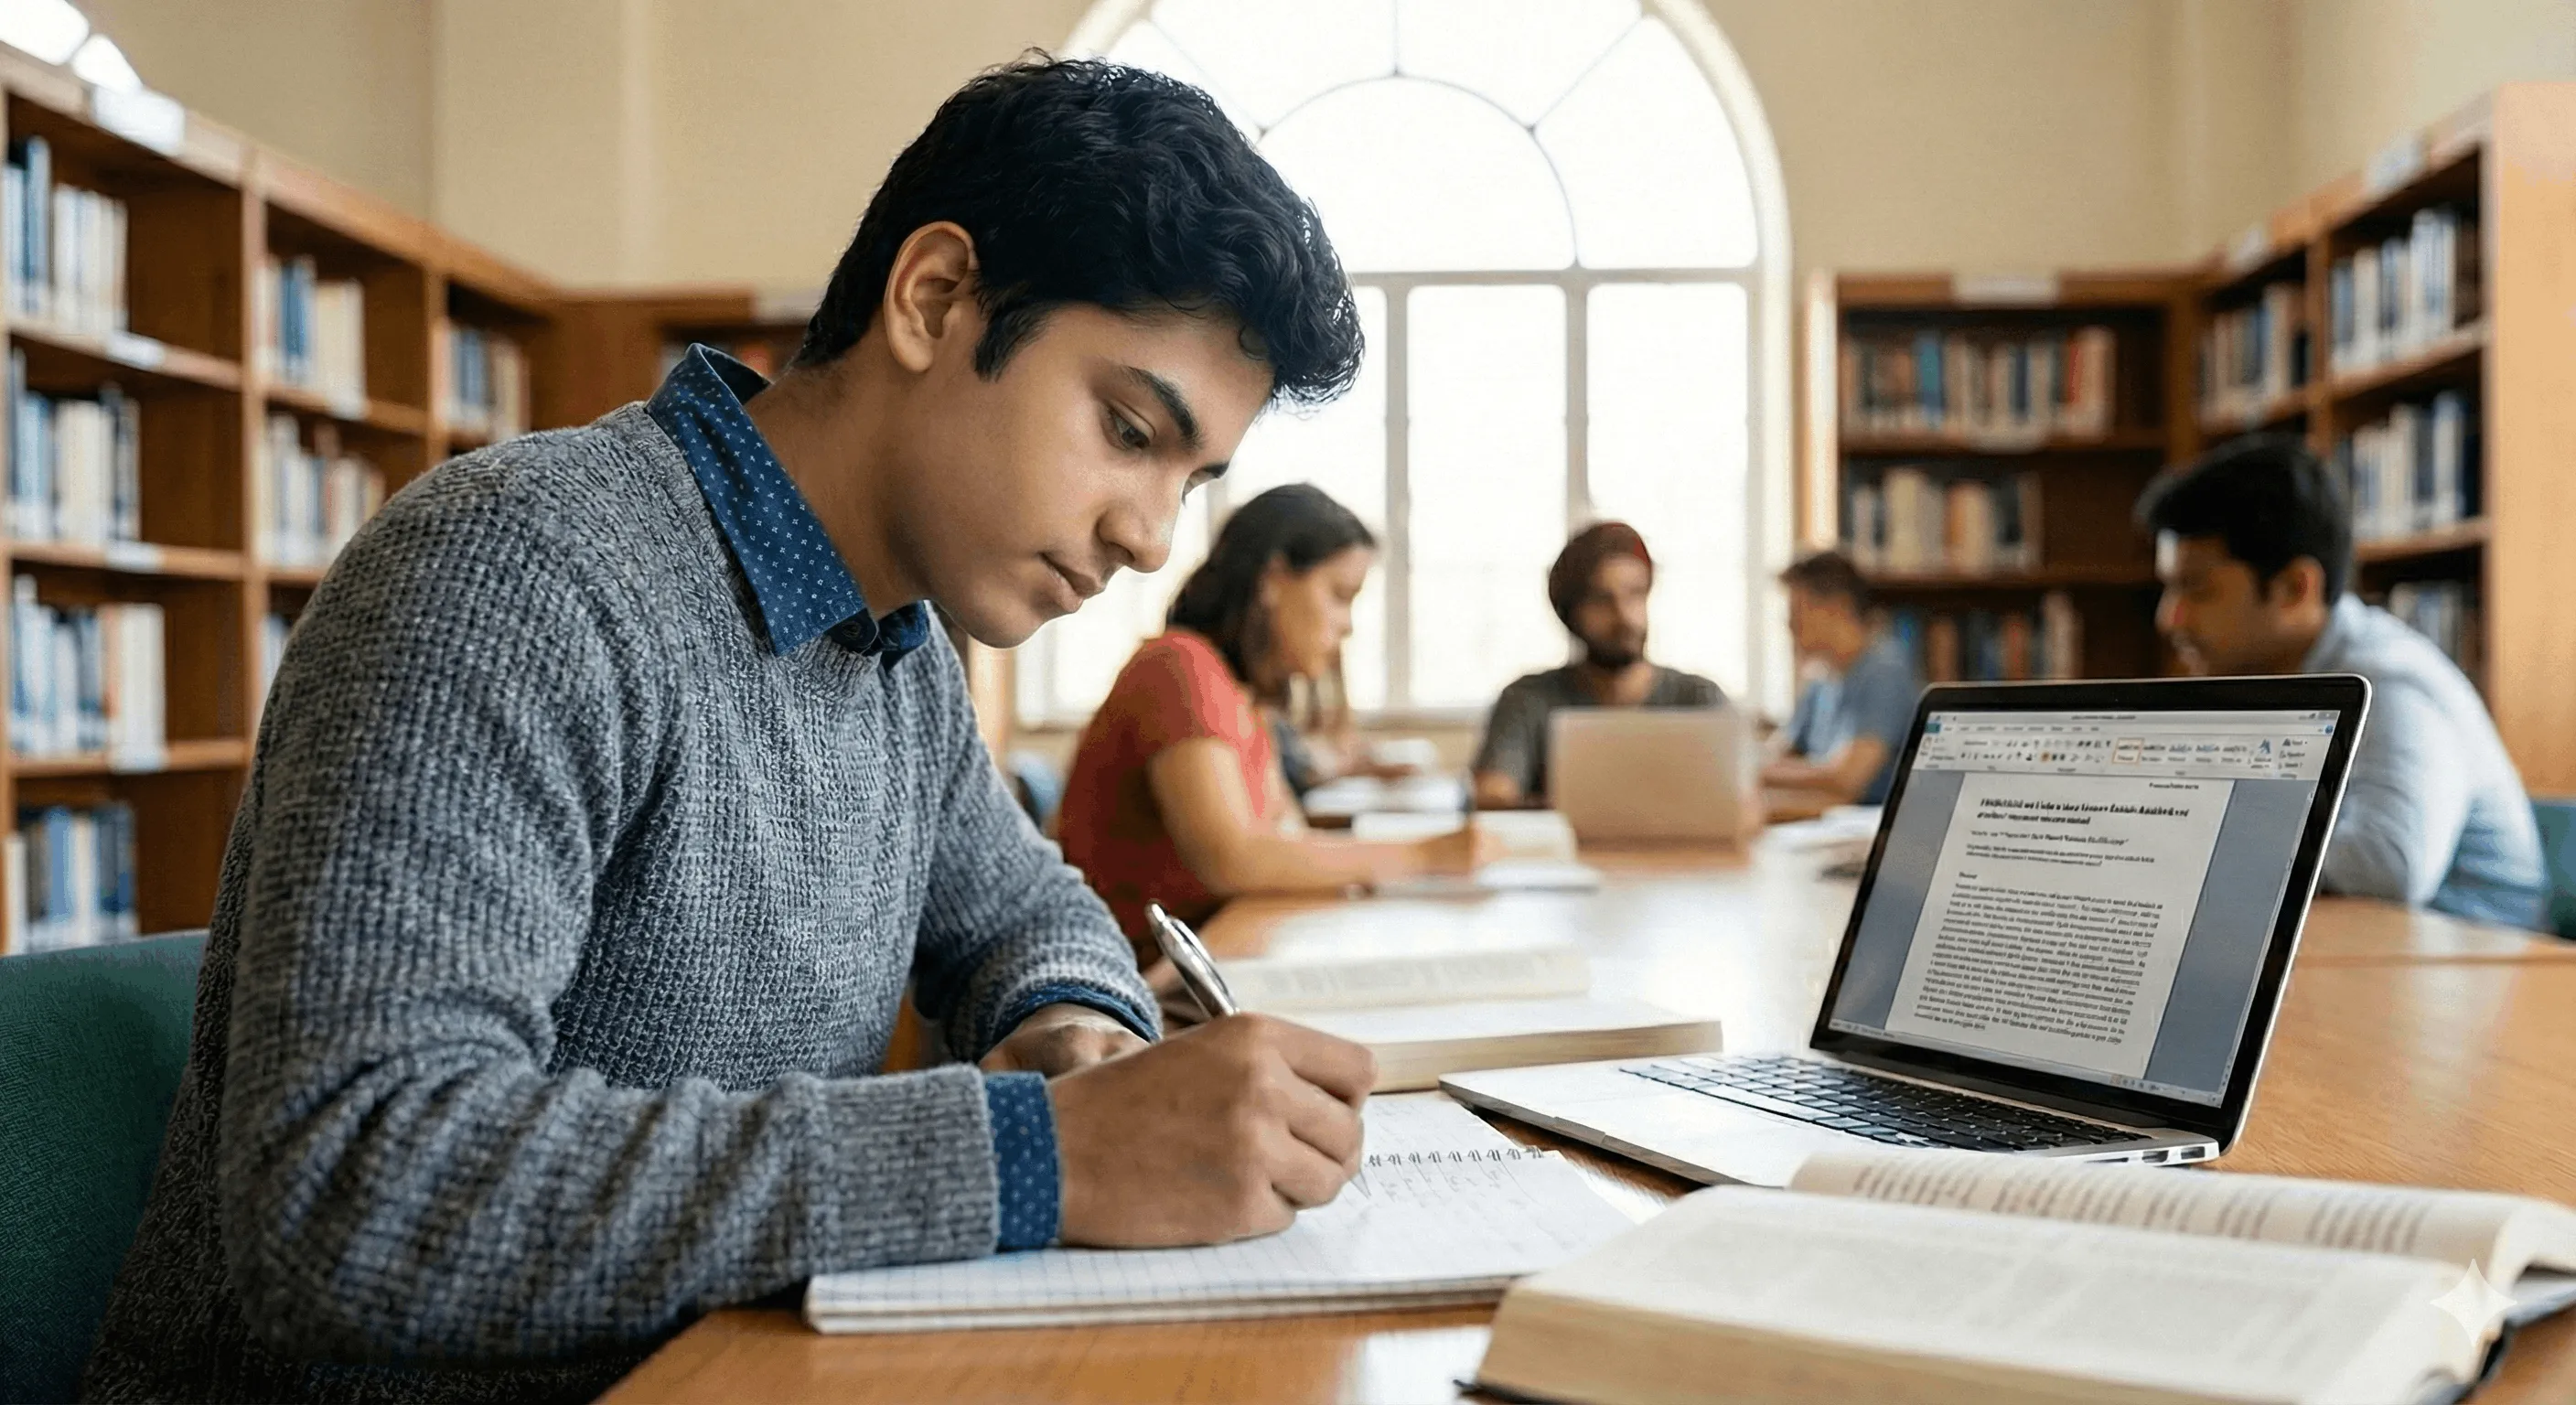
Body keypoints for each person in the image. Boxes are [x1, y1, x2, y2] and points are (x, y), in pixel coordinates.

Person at [87, 60, 1381, 1404]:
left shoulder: (896, 647)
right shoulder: (517, 575)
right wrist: (1039, 1153)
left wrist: (1076, 1028)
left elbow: (1026, 912)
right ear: (934, 299)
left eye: (1191, 480)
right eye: (1126, 429)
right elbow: (356, 1187)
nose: (1150, 534)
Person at [1061, 485, 1496, 964]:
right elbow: (1235, 859)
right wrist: (1426, 856)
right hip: (1136, 980)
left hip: (1210, 953)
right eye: (1339, 595)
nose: (1347, 625)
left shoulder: (1240, 696)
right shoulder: (1179, 667)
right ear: (1273, 578)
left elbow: (1288, 834)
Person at [2138, 434, 2544, 928]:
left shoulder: (2389, 683)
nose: (2170, 618)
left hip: (2475, 966)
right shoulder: (2269, 677)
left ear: (2295, 588)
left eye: (2196, 589)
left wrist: (2193, 842)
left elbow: (2388, 866)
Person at [1471, 521, 1723, 810]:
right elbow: (1492, 795)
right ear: (1572, 614)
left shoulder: (1700, 700)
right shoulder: (1527, 699)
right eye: (1603, 600)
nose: (1624, 615)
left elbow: (1744, 803)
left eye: (1635, 594)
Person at [1763, 550, 1924, 809]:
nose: (1789, 624)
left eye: (1796, 610)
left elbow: (1847, 778)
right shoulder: (1821, 680)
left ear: (1838, 607)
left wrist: (1757, 772)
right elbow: (1779, 752)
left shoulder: (1885, 672)